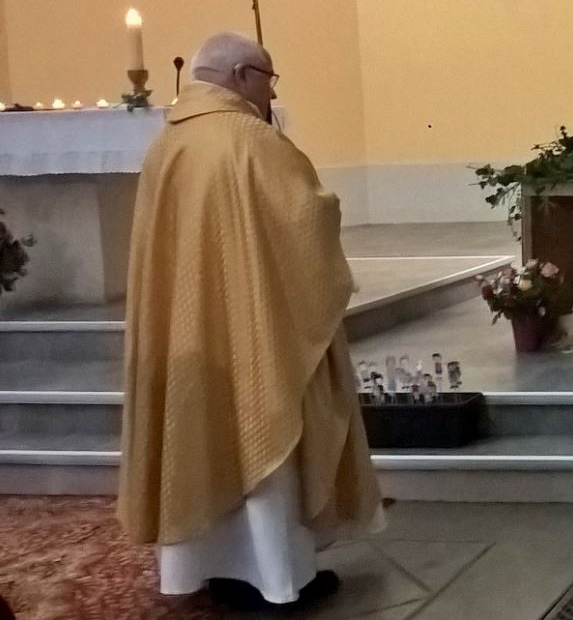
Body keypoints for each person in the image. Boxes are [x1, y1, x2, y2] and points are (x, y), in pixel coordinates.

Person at [118, 32, 384, 609]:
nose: (271, 89)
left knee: (200, 434)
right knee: (261, 430)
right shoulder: (252, 140)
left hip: (189, 337)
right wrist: (329, 209)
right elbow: (308, 218)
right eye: (269, 77)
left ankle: (208, 570)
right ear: (241, 75)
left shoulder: (168, 143)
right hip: (253, 333)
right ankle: (276, 580)